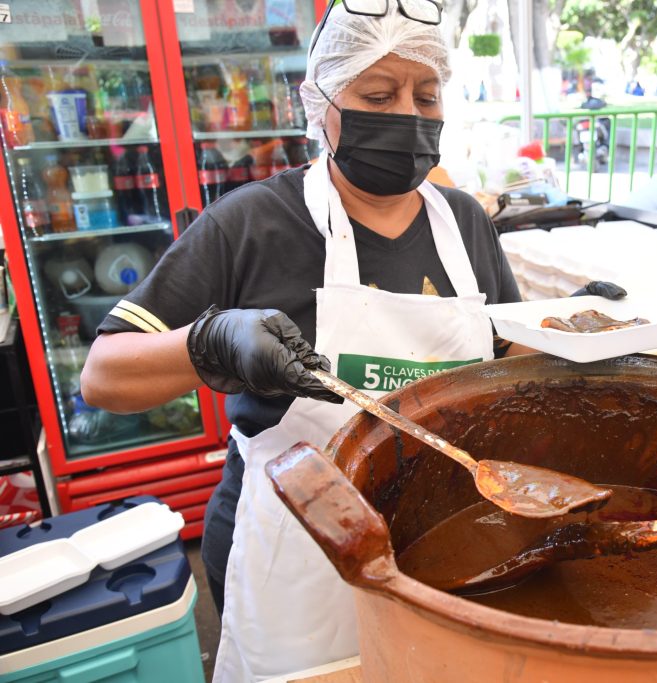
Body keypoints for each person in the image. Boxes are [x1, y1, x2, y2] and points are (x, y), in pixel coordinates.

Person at [77, 4, 628, 680]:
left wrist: (567, 331)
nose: (408, 115)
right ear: (322, 102)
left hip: (438, 538)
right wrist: (210, 342)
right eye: (379, 95)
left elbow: (500, 357)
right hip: (296, 549)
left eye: (426, 96)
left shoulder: (463, 222)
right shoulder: (251, 224)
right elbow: (103, 375)